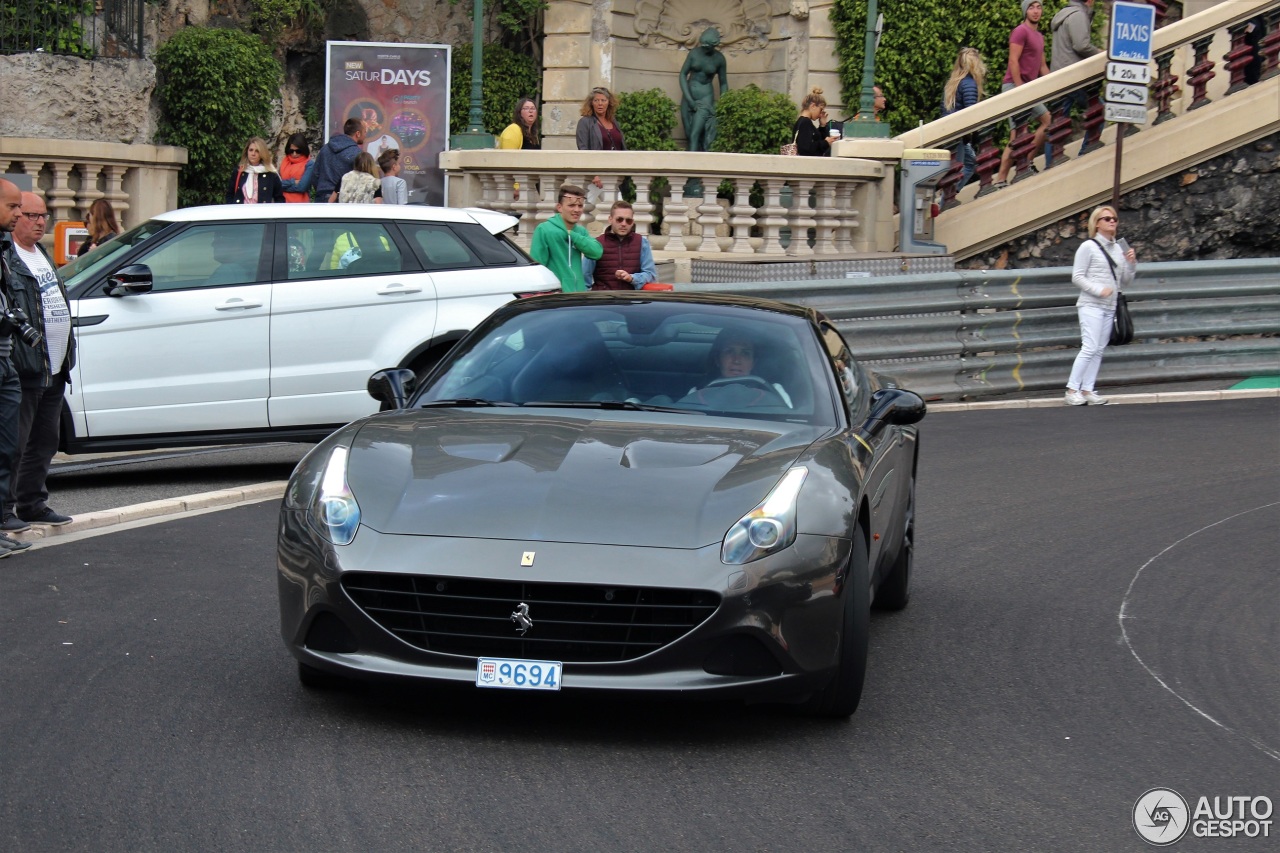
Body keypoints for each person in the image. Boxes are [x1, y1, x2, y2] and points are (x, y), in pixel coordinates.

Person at [2, 192, 74, 531]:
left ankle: (32, 502)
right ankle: (6, 510)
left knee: (45, 442)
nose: (39, 221)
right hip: (26, 366)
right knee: (14, 444)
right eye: (30, 214)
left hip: (54, 366)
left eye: (43, 215)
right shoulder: (9, 257)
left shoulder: (41, 254)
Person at [1065, 205, 1136, 406]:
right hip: (1091, 304)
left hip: (1109, 306)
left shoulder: (1119, 247)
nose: (1112, 221)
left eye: (1114, 218)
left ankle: (1088, 389)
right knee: (1089, 347)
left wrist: (1131, 263)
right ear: (1097, 223)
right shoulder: (1088, 247)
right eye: (1106, 218)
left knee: (1099, 349)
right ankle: (1072, 390)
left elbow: (1126, 281)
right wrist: (1098, 290)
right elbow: (1077, 277)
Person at [0, 179, 34, 557]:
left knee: (8, 449)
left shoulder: (6, 249)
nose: (18, 215)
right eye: (12, 207)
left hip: (6, 359)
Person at [995, 0, 1051, 187]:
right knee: (1018, 134)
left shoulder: (1039, 36)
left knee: (1043, 122)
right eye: (1031, 7)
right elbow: (1013, 60)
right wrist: (1020, 89)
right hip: (1015, 87)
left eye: (1039, 7)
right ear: (1025, 11)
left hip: (1028, 89)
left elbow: (1042, 66)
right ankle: (1001, 178)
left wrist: (1057, 85)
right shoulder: (1020, 31)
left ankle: (1025, 162)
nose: (1036, 11)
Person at [681, 329, 792, 408]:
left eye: (745, 353)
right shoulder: (697, 392)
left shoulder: (775, 391)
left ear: (753, 363)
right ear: (717, 360)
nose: (737, 360)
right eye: (729, 351)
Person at [1049, 0, 1103, 157]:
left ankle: (1051, 162)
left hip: (1059, 74)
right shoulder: (1078, 15)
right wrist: (1100, 53)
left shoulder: (1064, 14)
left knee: (1057, 123)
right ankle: (1086, 151)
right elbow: (1081, 45)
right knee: (1098, 110)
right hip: (1072, 76)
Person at [528, 183, 603, 293]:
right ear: (559, 207)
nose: (577, 210)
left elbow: (597, 252)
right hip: (554, 297)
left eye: (580, 206)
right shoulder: (544, 229)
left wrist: (572, 235)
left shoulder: (580, 231)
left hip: (578, 296)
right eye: (571, 205)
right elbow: (538, 267)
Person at [582, 200, 656, 291]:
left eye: (628, 220)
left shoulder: (642, 242)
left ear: (632, 222)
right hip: (604, 301)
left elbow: (651, 275)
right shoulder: (597, 243)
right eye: (619, 219)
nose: (624, 224)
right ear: (610, 219)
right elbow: (584, 278)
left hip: (632, 301)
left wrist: (632, 278)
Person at [942, 48, 987, 189]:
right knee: (965, 166)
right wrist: (973, 138)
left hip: (948, 130)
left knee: (960, 165)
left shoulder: (953, 83)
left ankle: (948, 196)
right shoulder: (970, 84)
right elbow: (970, 114)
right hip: (960, 133)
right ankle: (949, 197)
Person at [679, 27, 729, 152]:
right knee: (688, 132)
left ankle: (691, 167)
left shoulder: (719, 59)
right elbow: (682, 74)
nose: (705, 48)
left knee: (694, 134)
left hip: (705, 98)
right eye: (703, 45)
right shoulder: (694, 54)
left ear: (714, 45)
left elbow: (723, 83)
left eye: (708, 46)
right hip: (688, 96)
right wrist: (689, 99)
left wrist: (723, 104)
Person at [577, 87, 625, 190]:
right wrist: (594, 174)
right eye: (596, 100)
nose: (600, 103)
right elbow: (583, 149)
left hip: (614, 173)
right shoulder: (585, 122)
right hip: (596, 177)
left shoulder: (613, 121)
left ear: (609, 103)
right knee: (614, 204)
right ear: (591, 103)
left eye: (603, 100)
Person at [314, 118, 366, 203]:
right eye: (365, 132)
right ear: (358, 134)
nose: (365, 135)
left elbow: (315, 174)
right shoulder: (357, 153)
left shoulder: (325, 148)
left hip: (321, 197)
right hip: (342, 200)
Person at [225, 137, 284, 204]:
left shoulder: (271, 173)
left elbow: (279, 199)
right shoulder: (239, 171)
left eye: (257, 151)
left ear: (262, 153)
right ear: (247, 151)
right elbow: (230, 195)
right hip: (240, 212)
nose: (253, 154)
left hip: (262, 213)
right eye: (251, 150)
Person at [794, 88, 839, 157]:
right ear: (813, 106)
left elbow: (816, 140)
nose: (820, 114)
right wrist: (825, 143)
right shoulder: (805, 122)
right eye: (821, 110)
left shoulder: (803, 121)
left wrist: (822, 125)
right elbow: (805, 148)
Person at [278, 133, 316, 203]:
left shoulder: (309, 164)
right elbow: (276, 184)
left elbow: (302, 187)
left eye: (298, 151)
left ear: (303, 149)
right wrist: (294, 182)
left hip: (301, 206)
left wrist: (283, 186)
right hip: (283, 204)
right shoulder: (285, 162)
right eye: (291, 151)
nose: (294, 154)